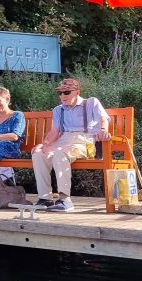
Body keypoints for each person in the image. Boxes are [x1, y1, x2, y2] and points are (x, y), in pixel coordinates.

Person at [31, 77, 110, 212]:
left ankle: (65, 199)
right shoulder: (58, 110)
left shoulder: (91, 102)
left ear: (77, 92)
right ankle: (45, 199)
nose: (62, 96)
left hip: (84, 140)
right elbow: (55, 131)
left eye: (66, 92)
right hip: (63, 140)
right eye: (60, 93)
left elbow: (103, 118)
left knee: (60, 153)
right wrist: (44, 144)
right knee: (38, 154)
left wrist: (103, 130)